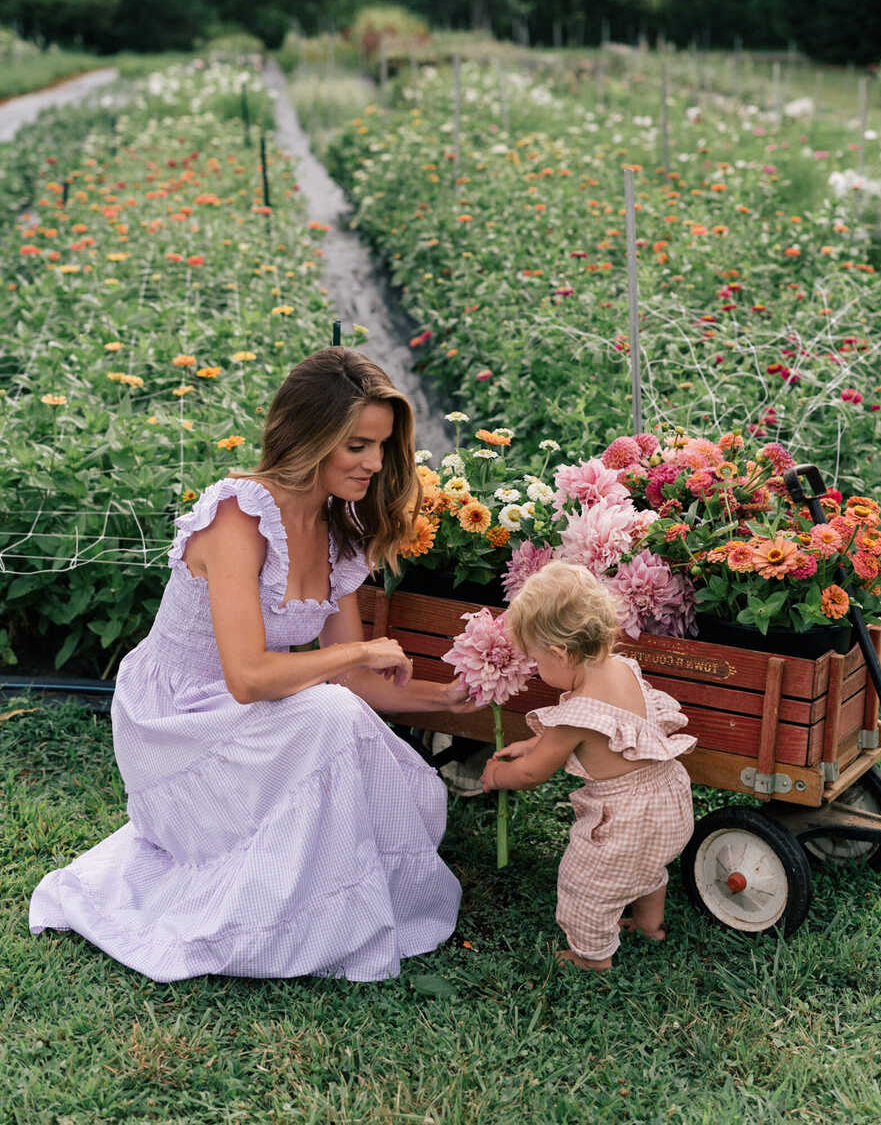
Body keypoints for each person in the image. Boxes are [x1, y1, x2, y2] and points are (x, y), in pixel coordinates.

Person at [30, 347, 476, 983]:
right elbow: (248, 677)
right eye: (357, 446)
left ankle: (321, 907)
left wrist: (448, 701)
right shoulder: (239, 513)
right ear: (309, 435)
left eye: (381, 446)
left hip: (249, 720)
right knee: (327, 714)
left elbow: (352, 683)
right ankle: (278, 909)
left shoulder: (336, 528)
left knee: (335, 712)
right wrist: (356, 652)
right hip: (176, 722)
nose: (375, 464)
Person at [481, 561, 696, 971]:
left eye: (537, 662)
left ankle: (591, 956)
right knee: (646, 865)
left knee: (587, 886)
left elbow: (533, 772)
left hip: (624, 821)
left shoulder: (577, 713)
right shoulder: (623, 668)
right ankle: (650, 925)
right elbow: (601, 732)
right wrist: (534, 743)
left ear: (561, 654)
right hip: (670, 802)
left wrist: (497, 775)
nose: (537, 672)